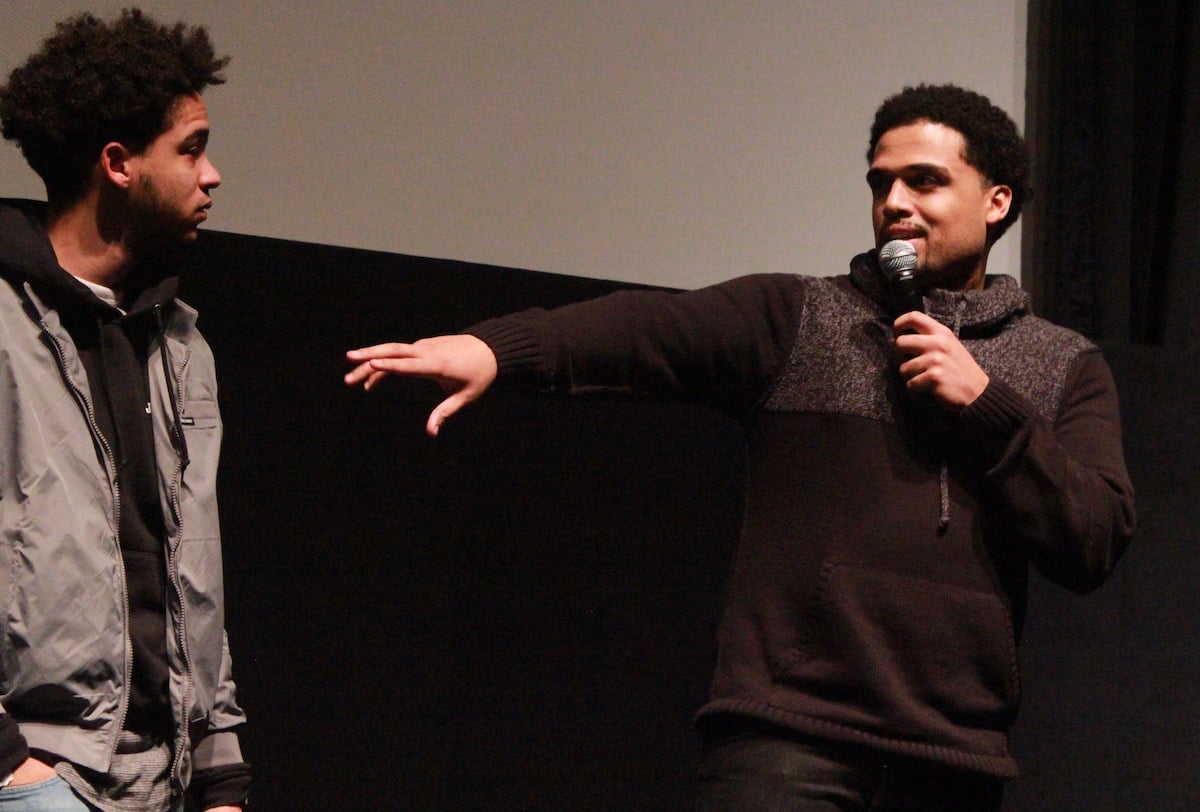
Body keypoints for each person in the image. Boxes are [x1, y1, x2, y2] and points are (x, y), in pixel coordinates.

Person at [344, 84, 1135, 810]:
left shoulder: (1060, 364)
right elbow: (637, 333)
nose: (894, 202)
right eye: (879, 183)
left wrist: (987, 406)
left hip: (951, 758)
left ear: (997, 201)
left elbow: (1092, 536)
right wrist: (497, 351)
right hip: (787, 742)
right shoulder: (799, 318)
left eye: (924, 181)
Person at [0, 9, 250, 812]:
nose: (212, 175)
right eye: (191, 148)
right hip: (39, 777)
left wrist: (220, 773)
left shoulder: (181, 345)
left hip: (162, 783)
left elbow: (190, 571)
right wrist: (12, 769)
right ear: (118, 163)